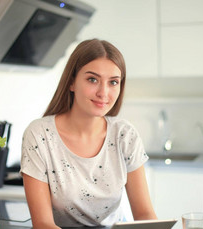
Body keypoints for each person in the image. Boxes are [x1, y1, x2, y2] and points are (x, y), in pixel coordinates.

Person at [20, 38, 157, 229]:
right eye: (92, 79)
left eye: (113, 82)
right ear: (72, 82)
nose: (104, 92)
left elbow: (144, 214)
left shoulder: (125, 135)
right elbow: (43, 224)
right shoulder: (39, 135)